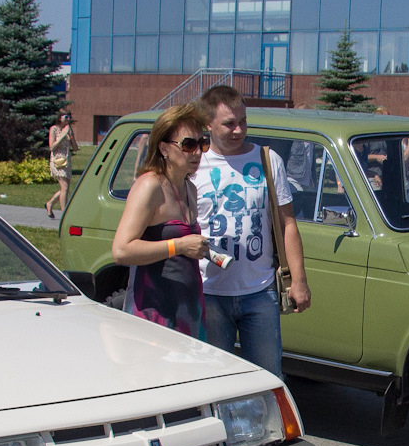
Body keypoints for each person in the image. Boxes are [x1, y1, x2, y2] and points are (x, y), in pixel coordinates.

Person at [193, 85, 311, 376]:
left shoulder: (267, 161)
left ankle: (264, 424)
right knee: (213, 379)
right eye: (229, 124)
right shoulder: (194, 165)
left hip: (259, 293)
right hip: (209, 292)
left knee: (266, 378)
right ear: (208, 125)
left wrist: (299, 281)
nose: (238, 130)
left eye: (242, 121)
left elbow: (287, 224)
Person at [111, 103, 212, 336]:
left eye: (202, 143)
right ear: (164, 149)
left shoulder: (190, 189)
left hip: (188, 309)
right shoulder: (150, 186)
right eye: (188, 144)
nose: (197, 152)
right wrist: (178, 245)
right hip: (154, 312)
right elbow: (121, 250)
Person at [46, 109, 75, 217]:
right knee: (65, 187)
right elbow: (52, 147)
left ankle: (50, 204)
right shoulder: (54, 129)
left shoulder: (68, 129)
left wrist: (71, 136)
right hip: (57, 161)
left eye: (69, 116)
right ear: (60, 118)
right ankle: (64, 213)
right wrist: (62, 135)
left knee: (65, 188)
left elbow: (75, 148)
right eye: (65, 117)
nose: (68, 119)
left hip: (66, 161)